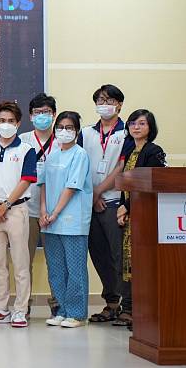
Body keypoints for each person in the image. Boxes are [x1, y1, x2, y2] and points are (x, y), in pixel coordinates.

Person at [0, 101, 36, 328]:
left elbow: (26, 180)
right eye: (2, 120)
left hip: (16, 210)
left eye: (11, 121)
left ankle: (20, 310)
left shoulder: (26, 150)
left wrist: (6, 205)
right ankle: (1, 308)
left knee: (21, 263)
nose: (6, 124)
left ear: (18, 123)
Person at [79, 84, 132, 323]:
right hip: (90, 203)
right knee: (99, 256)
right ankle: (111, 303)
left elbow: (121, 167)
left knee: (120, 256)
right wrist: (91, 196)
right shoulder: (86, 133)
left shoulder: (126, 133)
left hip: (114, 202)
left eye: (110, 100)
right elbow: (79, 164)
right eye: (100, 100)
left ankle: (129, 306)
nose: (105, 104)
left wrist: (98, 192)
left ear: (119, 105)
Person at [39, 111, 93, 328]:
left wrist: (55, 213)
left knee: (75, 268)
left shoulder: (80, 155)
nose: (64, 131)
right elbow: (43, 184)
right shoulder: (52, 155)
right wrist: (43, 211)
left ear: (77, 131)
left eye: (69, 127)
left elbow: (72, 187)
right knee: (56, 269)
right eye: (60, 127)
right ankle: (61, 310)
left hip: (72, 221)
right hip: (50, 222)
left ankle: (77, 313)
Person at [114, 110, 166, 330]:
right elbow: (125, 184)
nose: (136, 127)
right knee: (128, 262)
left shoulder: (154, 151)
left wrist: (127, 206)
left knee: (143, 263)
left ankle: (144, 313)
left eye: (142, 123)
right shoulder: (129, 150)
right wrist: (122, 207)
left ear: (150, 127)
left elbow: (150, 184)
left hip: (145, 215)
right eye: (133, 123)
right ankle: (129, 309)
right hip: (129, 216)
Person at [19, 93, 60, 317]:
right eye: (37, 112)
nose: (42, 116)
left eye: (46, 112)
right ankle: (23, 305)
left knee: (56, 261)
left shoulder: (63, 139)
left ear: (54, 115)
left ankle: (58, 303)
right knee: (24, 261)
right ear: (30, 116)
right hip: (26, 209)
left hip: (55, 212)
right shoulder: (22, 140)